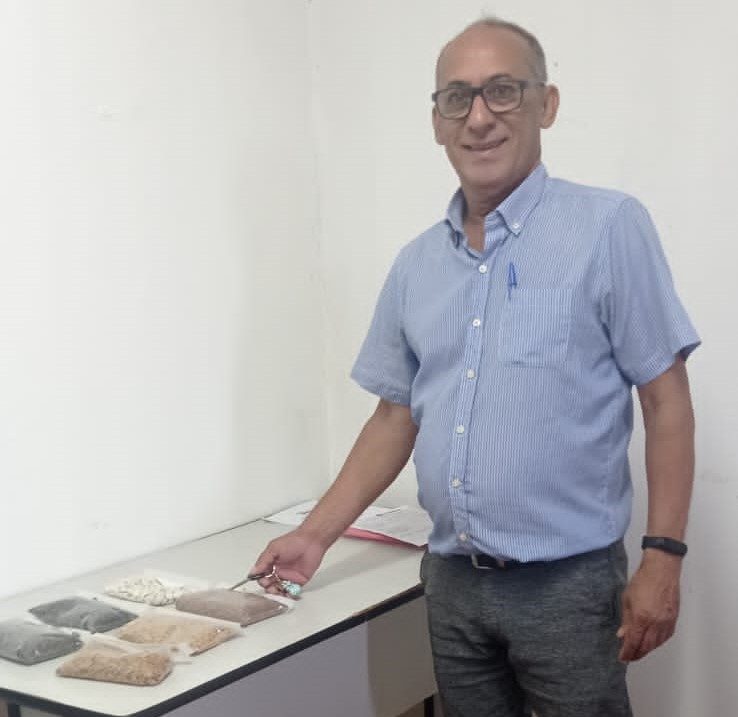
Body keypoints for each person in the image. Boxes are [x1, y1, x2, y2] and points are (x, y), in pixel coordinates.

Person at [252, 16, 699, 717]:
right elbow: (395, 416)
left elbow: (665, 401)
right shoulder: (416, 265)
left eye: (503, 90)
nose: (480, 116)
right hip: (452, 583)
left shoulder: (608, 227)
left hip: (568, 586)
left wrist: (663, 556)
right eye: (457, 97)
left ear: (547, 104)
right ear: (437, 121)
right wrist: (314, 536)